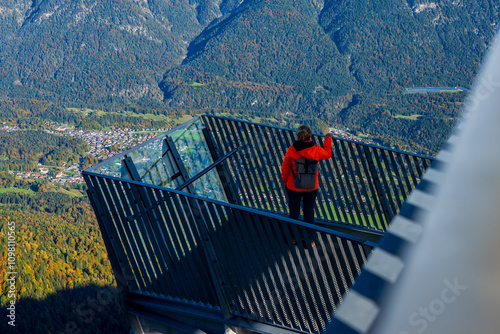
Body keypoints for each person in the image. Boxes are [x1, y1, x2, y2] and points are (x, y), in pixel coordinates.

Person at [281, 125, 333, 224]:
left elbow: (285, 169)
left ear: (297, 136)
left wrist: (286, 183)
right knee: (309, 212)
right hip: (311, 185)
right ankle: (309, 238)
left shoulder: (291, 150)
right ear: (310, 136)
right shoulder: (316, 149)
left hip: (293, 185)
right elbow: (328, 154)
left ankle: (292, 238)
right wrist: (328, 138)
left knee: (293, 213)